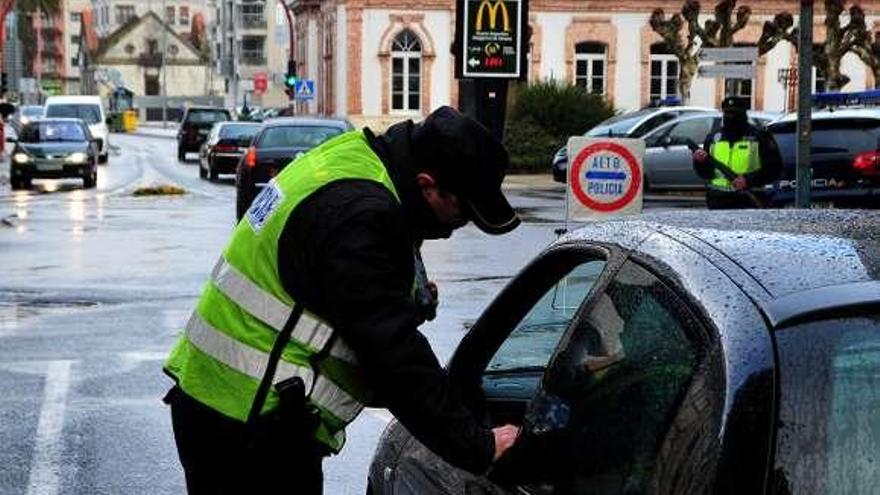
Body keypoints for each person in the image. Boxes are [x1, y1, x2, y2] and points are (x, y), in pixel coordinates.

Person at [163, 106, 522, 494]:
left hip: (219, 402)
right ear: (427, 184)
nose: (457, 227)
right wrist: (479, 445)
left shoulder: (357, 158)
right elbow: (394, 356)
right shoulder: (362, 213)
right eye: (462, 213)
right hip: (249, 424)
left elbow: (333, 289)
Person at [692, 96, 782, 209]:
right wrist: (699, 162)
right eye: (727, 113)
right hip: (718, 201)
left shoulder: (759, 136)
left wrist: (748, 180)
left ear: (743, 114)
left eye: (734, 113)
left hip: (748, 200)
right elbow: (706, 173)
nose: (730, 117)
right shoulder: (714, 138)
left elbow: (775, 168)